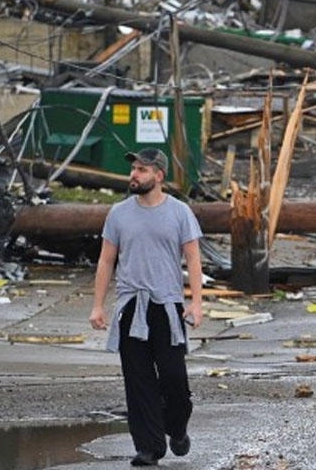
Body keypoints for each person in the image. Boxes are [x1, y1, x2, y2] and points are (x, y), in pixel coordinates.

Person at [89, 147, 203, 467]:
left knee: (174, 380)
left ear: (158, 176)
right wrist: (98, 306)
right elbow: (106, 260)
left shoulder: (180, 213)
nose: (134, 175)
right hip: (130, 307)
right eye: (134, 169)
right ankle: (149, 448)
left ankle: (177, 427)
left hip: (167, 308)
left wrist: (196, 302)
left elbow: (193, 258)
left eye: (141, 170)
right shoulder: (119, 213)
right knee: (138, 383)